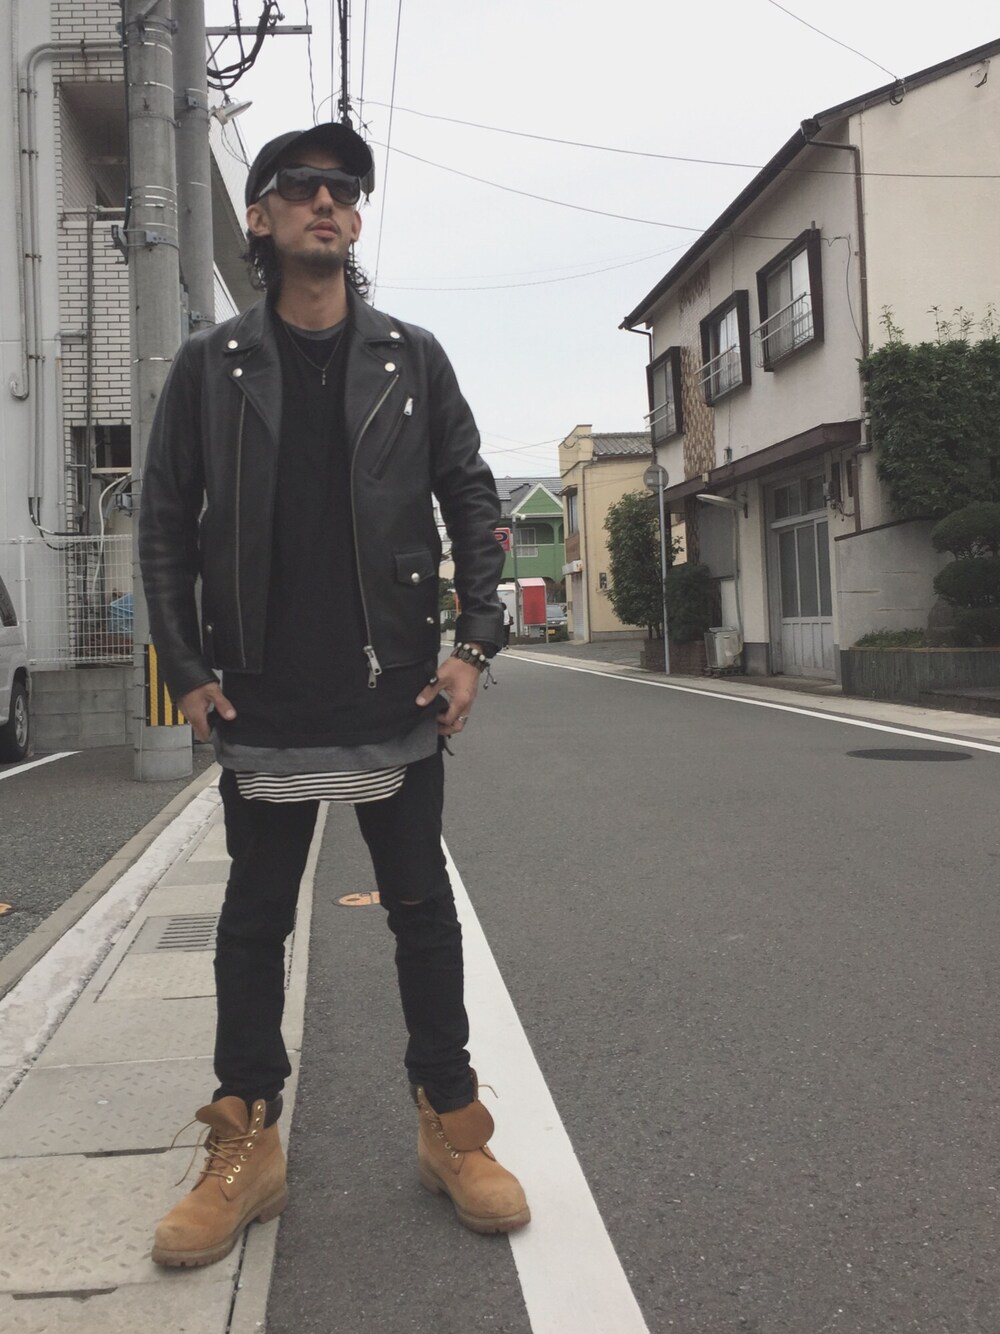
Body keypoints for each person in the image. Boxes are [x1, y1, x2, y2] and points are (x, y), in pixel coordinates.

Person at [139, 121, 529, 1268]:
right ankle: (245, 1142)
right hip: (260, 693)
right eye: (304, 186)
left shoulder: (412, 357)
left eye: (346, 190)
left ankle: (450, 1124)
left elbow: (472, 496)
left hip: (395, 688)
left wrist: (475, 643)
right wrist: (188, 668)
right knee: (253, 920)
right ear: (259, 217)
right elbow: (163, 524)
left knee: (422, 912)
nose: (329, 202)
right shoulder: (210, 365)